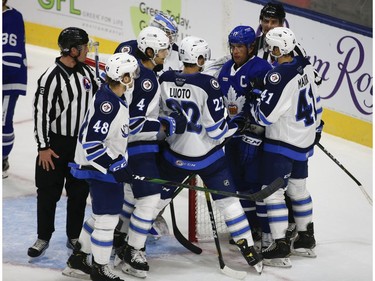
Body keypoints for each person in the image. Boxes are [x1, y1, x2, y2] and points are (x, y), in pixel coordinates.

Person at [157, 36, 263, 274]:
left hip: (174, 156)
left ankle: (131, 245)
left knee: (154, 202)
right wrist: (236, 125)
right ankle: (249, 251)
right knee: (230, 204)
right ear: (201, 58)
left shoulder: (164, 78)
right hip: (208, 159)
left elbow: (161, 116)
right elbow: (217, 131)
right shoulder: (209, 84)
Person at [112, 26, 183, 278]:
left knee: (132, 195)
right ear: (150, 50)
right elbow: (134, 121)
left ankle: (118, 238)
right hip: (137, 146)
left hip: (131, 146)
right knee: (151, 196)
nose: (166, 53)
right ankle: (133, 250)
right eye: (163, 49)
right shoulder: (146, 79)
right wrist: (164, 123)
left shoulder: (142, 73)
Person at [62, 52, 139, 281]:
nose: (132, 77)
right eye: (129, 74)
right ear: (120, 76)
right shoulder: (108, 104)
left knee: (99, 217)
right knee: (107, 219)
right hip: (99, 168)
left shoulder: (116, 96)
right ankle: (100, 269)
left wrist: (119, 162)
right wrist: (114, 165)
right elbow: (92, 144)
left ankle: (78, 260)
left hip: (103, 166)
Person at [250, 27, 322, 268]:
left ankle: (279, 244)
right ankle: (305, 237)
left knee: (273, 193)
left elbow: (265, 117)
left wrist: (255, 100)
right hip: (304, 140)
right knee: (298, 190)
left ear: (277, 50)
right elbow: (317, 101)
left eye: (272, 48)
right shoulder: (307, 66)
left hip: (282, 143)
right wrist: (317, 128)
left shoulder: (279, 76)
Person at [28, 27, 99, 260]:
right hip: (55, 146)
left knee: (79, 192)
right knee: (48, 192)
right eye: (84, 46)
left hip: (80, 146)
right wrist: (43, 147)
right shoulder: (50, 76)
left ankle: (74, 235)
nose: (88, 49)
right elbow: (40, 114)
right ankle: (43, 236)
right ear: (73, 49)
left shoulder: (88, 74)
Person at [217, 25, 272, 246]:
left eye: (240, 46)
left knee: (257, 186)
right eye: (233, 46)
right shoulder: (225, 69)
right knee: (238, 185)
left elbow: (268, 105)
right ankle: (251, 227)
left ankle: (267, 231)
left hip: (255, 138)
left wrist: (256, 134)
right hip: (232, 137)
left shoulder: (261, 68)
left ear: (251, 47)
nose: (235, 50)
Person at [2, 0, 27, 178]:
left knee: (3, 121)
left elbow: (12, 58)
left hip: (9, 80)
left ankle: (2, 157)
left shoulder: (13, 18)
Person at [114, 11, 180, 77]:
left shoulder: (177, 52)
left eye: (171, 35)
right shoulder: (128, 49)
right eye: (168, 34)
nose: (171, 39)